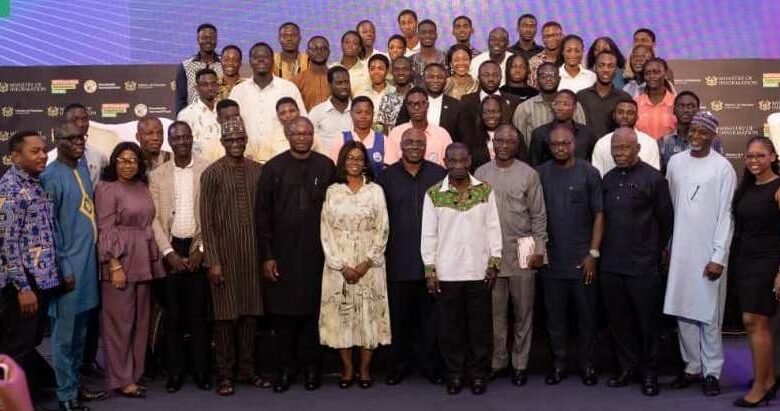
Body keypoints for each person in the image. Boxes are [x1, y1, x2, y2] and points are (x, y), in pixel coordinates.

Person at [256, 116, 336, 393]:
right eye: (297, 133)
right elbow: (262, 217)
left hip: (317, 256)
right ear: (288, 135)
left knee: (314, 317)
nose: (302, 137)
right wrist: (267, 256)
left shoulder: (326, 167)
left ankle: (312, 370)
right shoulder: (273, 168)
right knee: (283, 319)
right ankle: (285, 371)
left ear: (313, 135)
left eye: (307, 133)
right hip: (282, 256)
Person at [664, 111, 736, 397]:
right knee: (683, 311)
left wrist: (719, 256)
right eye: (692, 131)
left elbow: (726, 216)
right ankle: (692, 366)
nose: (696, 136)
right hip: (680, 250)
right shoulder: (675, 163)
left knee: (708, 315)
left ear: (713, 135)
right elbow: (669, 207)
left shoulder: (723, 168)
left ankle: (712, 371)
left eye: (702, 132)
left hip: (709, 253)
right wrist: (668, 246)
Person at [421, 142, 502, 396]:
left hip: (479, 271)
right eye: (452, 161)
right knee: (450, 329)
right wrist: (430, 270)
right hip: (447, 272)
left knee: (480, 329)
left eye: (462, 161)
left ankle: (478, 375)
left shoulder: (485, 191)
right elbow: (428, 235)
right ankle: (454, 374)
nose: (458, 166)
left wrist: (494, 262)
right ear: (445, 162)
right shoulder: (434, 193)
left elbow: (493, 228)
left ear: (470, 161)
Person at [600, 127, 673, 397]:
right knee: (619, 322)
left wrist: (654, 252)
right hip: (611, 264)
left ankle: (649, 373)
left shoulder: (654, 179)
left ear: (638, 149)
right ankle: (627, 368)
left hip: (643, 265)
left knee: (647, 323)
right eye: (615, 149)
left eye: (625, 148)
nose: (619, 153)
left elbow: (666, 221)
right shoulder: (606, 179)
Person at [42, 122, 108, 411]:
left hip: (88, 264)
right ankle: (65, 396)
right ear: (58, 141)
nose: (79, 142)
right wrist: (61, 267)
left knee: (81, 334)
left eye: (81, 138)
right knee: (64, 336)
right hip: (67, 268)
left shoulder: (82, 168)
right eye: (72, 139)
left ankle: (76, 386)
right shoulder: (50, 176)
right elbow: (49, 229)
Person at [474, 124, 546, 387]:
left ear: (517, 145)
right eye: (499, 141)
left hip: (523, 248)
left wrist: (539, 249)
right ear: (493, 144)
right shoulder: (481, 174)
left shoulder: (529, 174)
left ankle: (520, 363)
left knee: (523, 310)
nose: (503, 145)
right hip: (491, 253)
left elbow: (538, 215)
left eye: (509, 141)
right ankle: (498, 361)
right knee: (495, 314)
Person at [376, 127, 447, 386]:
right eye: (410, 142)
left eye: (419, 142)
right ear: (401, 146)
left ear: (426, 146)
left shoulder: (439, 175)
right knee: (399, 317)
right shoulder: (386, 177)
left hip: (433, 262)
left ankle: (431, 366)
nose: (415, 146)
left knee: (431, 319)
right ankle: (397, 366)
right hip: (397, 259)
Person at [199, 118, 265, 396]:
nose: (236, 143)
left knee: (250, 314)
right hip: (223, 256)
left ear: (246, 140)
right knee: (225, 317)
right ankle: (224, 375)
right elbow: (207, 220)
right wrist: (212, 260)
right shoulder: (212, 174)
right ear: (223, 143)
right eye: (231, 140)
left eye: (240, 139)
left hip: (252, 255)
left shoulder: (259, 171)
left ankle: (247, 369)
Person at [95, 142, 165, 398]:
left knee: (141, 322)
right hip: (120, 261)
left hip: (144, 259)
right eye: (123, 160)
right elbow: (105, 229)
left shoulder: (142, 186)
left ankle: (135, 374)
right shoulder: (106, 188)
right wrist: (114, 265)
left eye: (133, 160)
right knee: (119, 324)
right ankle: (120, 378)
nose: (128, 165)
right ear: (114, 162)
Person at [320, 141, 391, 389]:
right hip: (338, 263)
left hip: (369, 263)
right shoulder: (332, 191)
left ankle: (364, 369)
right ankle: (347, 369)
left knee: (369, 317)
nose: (354, 162)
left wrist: (365, 262)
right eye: (350, 158)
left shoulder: (376, 191)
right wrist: (341, 265)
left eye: (359, 158)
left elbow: (383, 229)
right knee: (342, 318)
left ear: (365, 162)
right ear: (342, 161)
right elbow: (325, 231)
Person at [537, 125, 603, 387]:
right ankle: (559, 364)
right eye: (555, 145)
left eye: (565, 144)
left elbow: (599, 213)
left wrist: (593, 253)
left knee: (587, 318)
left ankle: (587, 366)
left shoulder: (589, 172)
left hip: (583, 261)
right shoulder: (540, 173)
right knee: (555, 319)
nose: (560, 148)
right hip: (551, 262)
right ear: (549, 146)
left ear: (573, 144)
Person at [0, 131, 63, 408]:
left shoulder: (34, 183)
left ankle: (29, 392)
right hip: (23, 284)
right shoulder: (10, 190)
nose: (43, 155)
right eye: (35, 151)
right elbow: (7, 245)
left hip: (43, 278)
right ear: (15, 157)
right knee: (17, 348)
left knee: (29, 342)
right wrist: (24, 289)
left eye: (44, 150)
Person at [149, 122, 211, 393]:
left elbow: (213, 214)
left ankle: (200, 372)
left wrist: (202, 250)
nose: (182, 142)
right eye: (176, 138)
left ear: (192, 138)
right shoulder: (157, 175)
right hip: (170, 250)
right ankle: (175, 373)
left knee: (199, 318)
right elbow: (152, 219)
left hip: (198, 249)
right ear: (169, 142)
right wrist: (168, 253)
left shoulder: (207, 169)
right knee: (173, 317)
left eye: (186, 137)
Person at [730, 136, 780, 407]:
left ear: (773, 157)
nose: (754, 160)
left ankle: (760, 386)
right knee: (754, 324)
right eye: (750, 156)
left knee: (754, 321)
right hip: (746, 262)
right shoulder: (747, 188)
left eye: (761, 155)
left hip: (768, 263)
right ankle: (768, 379)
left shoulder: (778, 187)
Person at [229, 42, 307, 156]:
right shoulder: (238, 91)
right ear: (250, 61)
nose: (261, 60)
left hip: (282, 157)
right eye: (256, 57)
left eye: (265, 57)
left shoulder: (288, 88)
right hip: (247, 158)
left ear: (273, 60)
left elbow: (301, 123)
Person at [512, 62, 587, 148]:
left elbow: (582, 137)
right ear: (537, 80)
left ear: (559, 79)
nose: (548, 79)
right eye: (543, 76)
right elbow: (519, 144)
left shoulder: (574, 105)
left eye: (552, 75)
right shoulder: (524, 108)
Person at [591, 98, 660, 176]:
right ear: (614, 115)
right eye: (620, 112)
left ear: (637, 117)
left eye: (630, 113)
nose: (625, 116)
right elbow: (597, 176)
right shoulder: (602, 143)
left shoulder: (649, 143)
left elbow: (654, 175)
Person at [658, 91, 723, 174]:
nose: (686, 110)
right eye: (681, 106)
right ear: (674, 110)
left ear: (698, 110)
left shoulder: (712, 141)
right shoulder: (664, 141)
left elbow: (719, 169)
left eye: (691, 106)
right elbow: (661, 175)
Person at [385, 87, 453, 166]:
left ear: (427, 105)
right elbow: (390, 166)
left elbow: (448, 167)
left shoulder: (442, 134)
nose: (416, 108)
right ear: (406, 106)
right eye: (411, 104)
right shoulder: (396, 133)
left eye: (421, 103)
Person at [396, 63, 464, 142]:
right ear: (423, 79)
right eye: (431, 77)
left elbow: (461, 137)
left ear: (446, 80)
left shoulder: (456, 105)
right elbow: (400, 128)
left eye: (440, 77)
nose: (435, 80)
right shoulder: (412, 101)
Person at [47, 104, 110, 189]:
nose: (80, 124)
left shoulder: (98, 155)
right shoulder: (50, 160)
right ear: (65, 123)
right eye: (75, 120)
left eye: (84, 119)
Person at [529, 90, 596, 166]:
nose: (559, 108)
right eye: (556, 103)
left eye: (565, 104)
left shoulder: (587, 133)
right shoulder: (539, 133)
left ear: (575, 107)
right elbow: (534, 165)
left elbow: (593, 162)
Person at [577, 50, 632, 139]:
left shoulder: (624, 98)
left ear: (616, 70)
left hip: (614, 148)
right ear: (594, 68)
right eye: (601, 65)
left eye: (610, 66)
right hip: (587, 149)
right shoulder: (581, 96)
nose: (606, 70)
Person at [464, 96, 528, 171]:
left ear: (502, 113)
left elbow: (523, 162)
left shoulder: (514, 134)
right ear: (481, 115)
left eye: (495, 112)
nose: (491, 116)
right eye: (486, 112)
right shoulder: (471, 136)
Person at [330, 96, 385, 175]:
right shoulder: (340, 139)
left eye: (367, 112)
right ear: (351, 114)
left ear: (373, 114)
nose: (363, 116)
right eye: (358, 112)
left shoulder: (383, 140)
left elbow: (388, 170)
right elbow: (334, 168)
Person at [175, 23, 222, 115]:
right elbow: (181, 99)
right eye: (204, 38)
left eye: (212, 38)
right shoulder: (186, 66)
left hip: (219, 117)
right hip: (194, 118)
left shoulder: (223, 64)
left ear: (216, 40)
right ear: (198, 40)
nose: (208, 41)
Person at [177, 68, 221, 162]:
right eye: (205, 84)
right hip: (200, 169)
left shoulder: (223, 111)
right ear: (197, 88)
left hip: (224, 167)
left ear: (217, 86)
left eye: (213, 84)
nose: (210, 88)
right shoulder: (186, 115)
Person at [461, 60, 523, 126]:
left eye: (495, 75)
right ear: (478, 77)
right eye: (486, 75)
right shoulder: (466, 101)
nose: (491, 79)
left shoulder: (514, 101)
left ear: (501, 77)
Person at [309, 66, 353, 155]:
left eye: (346, 82)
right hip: (325, 164)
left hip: (352, 164)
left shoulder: (358, 111)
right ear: (330, 85)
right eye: (339, 83)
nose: (344, 86)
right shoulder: (317, 112)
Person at [634, 58, 676, 140]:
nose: (652, 76)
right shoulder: (635, 103)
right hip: (643, 151)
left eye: (656, 72)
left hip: (670, 152)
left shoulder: (676, 102)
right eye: (647, 73)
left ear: (666, 73)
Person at [292, 36, 331, 111]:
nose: (319, 52)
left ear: (329, 52)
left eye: (323, 48)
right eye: (314, 49)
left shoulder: (337, 79)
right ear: (307, 52)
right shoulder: (297, 81)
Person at [377, 56, 414, 133]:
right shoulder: (386, 98)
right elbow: (382, 127)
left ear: (411, 71)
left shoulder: (420, 95)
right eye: (397, 69)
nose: (401, 73)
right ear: (392, 72)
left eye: (404, 69)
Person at [356, 54, 394, 130]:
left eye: (380, 68)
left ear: (387, 71)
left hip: (390, 138)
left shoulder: (395, 93)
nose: (376, 72)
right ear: (369, 71)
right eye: (372, 69)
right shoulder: (360, 94)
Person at [330, 31, 370, 96]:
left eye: (355, 43)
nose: (350, 46)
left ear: (360, 48)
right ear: (341, 45)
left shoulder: (368, 68)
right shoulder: (332, 68)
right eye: (347, 42)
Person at [527, 21, 563, 89]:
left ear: (561, 36)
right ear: (542, 39)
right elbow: (532, 87)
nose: (551, 39)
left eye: (554, 35)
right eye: (547, 36)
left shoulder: (569, 58)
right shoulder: (534, 62)